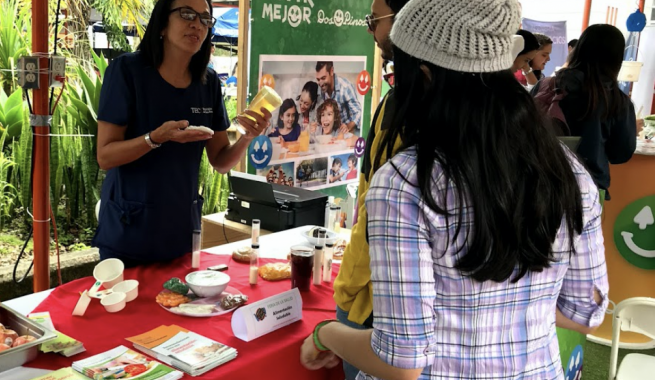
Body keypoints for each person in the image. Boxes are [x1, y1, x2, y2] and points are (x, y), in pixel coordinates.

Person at [302, 0, 608, 379]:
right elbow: (587, 310)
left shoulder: (405, 183)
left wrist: (325, 334)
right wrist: (512, 309)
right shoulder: (569, 173)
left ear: (426, 76)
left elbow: (401, 363)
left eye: (401, 71)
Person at [93, 0, 271, 265]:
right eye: (187, 14)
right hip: (129, 231)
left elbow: (220, 160)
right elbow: (105, 156)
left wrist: (246, 136)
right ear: (163, 22)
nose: (196, 24)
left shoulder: (208, 82)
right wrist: (155, 138)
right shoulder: (127, 72)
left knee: (177, 302)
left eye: (205, 19)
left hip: (180, 230)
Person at [333, 1, 410, 378]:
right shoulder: (392, 103)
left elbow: (379, 213)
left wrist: (347, 293)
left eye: (374, 20)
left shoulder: (416, 114)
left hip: (380, 303)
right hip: (366, 291)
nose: (370, 30)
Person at [533, 24, 637, 201]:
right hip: (588, 190)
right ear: (616, 59)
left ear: (579, 50)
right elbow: (620, 154)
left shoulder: (545, 85)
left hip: (538, 183)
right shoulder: (617, 101)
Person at [315, 61, 362, 135]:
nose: (320, 83)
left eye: (323, 78)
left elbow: (359, 113)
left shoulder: (345, 87)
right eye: (318, 79)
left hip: (350, 132)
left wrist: (347, 126)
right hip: (335, 133)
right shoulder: (321, 90)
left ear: (331, 71)